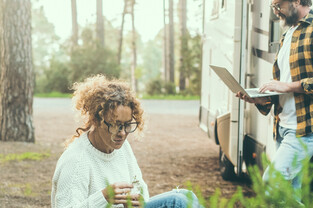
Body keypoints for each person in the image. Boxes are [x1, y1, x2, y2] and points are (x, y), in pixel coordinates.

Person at [236, 0, 313, 200]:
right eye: (273, 6)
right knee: (287, 195)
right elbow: (284, 89)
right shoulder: (288, 35)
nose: (275, 11)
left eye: (278, 5)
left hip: (308, 128)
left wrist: (287, 86)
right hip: (283, 127)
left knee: (271, 186)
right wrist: (259, 100)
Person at [51, 74, 201, 208]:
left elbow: (139, 186)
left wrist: (139, 201)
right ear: (96, 121)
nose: (122, 133)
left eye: (127, 125)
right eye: (115, 125)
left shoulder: (121, 148)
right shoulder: (76, 160)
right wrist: (103, 197)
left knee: (186, 195)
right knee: (177, 202)